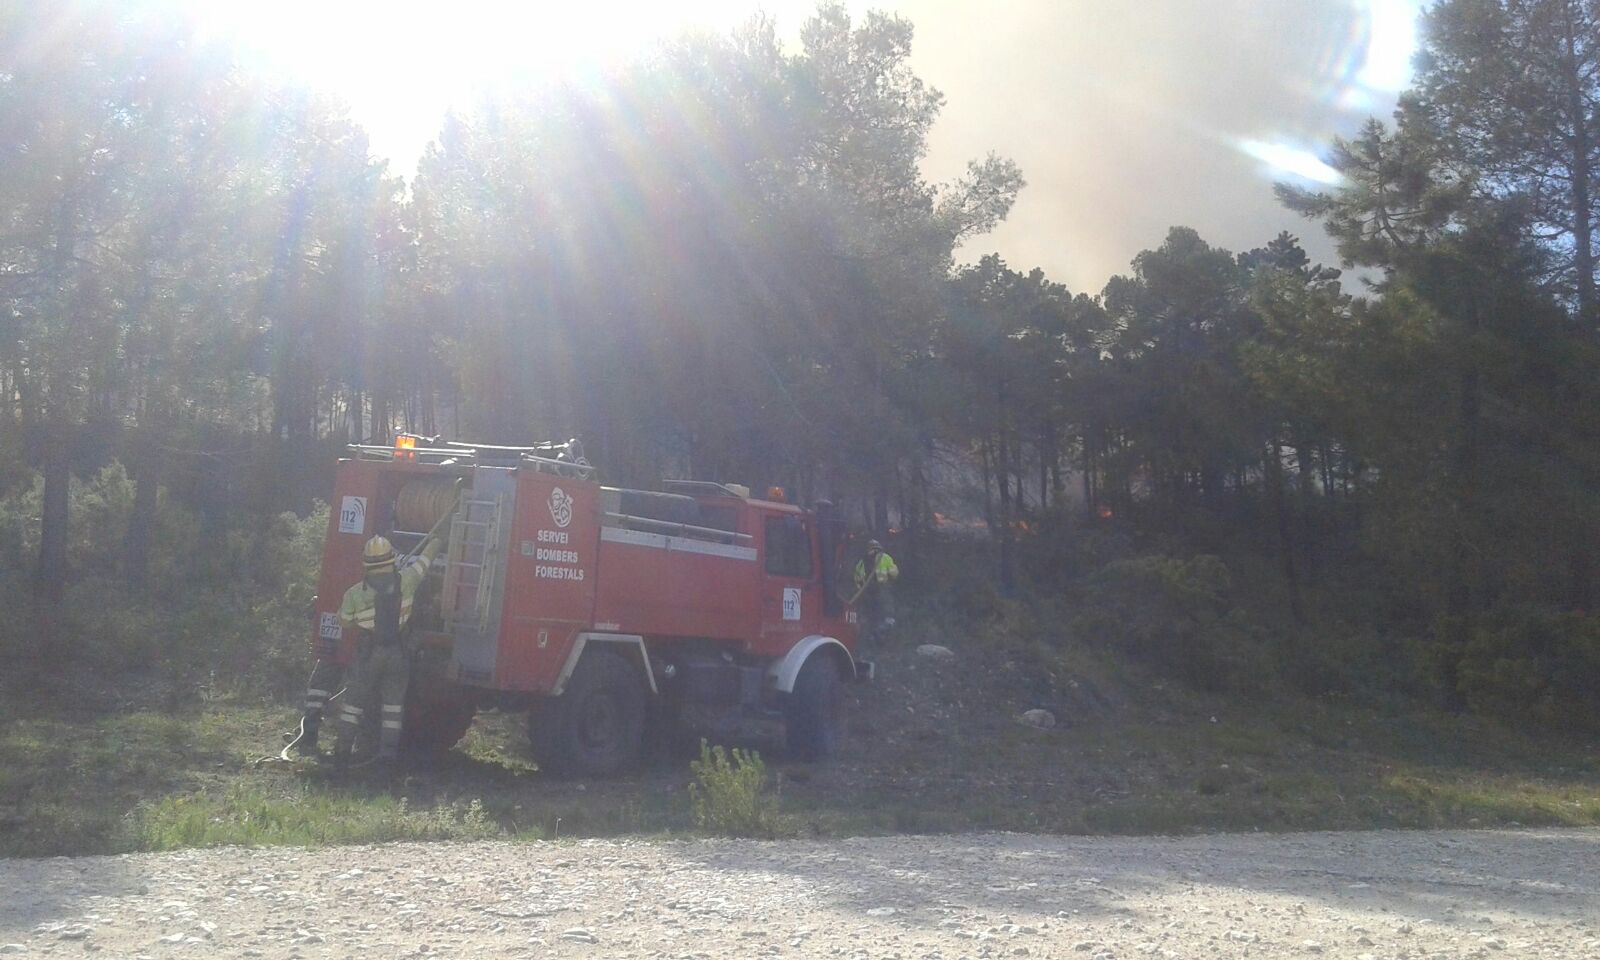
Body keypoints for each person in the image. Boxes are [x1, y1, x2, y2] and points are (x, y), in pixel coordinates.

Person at [332, 533, 443, 768]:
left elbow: (344, 622)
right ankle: (387, 760)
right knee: (393, 708)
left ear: (366, 563)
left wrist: (363, 623)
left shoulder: (354, 594)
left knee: (353, 704)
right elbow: (425, 561)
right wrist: (437, 539)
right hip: (398, 654)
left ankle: (341, 755)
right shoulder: (408, 580)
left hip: (368, 654)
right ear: (392, 559)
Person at [852, 539, 899, 644]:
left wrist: (861, 589)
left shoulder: (862, 561)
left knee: (873, 615)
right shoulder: (885, 557)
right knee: (886, 614)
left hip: (868, 592)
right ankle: (883, 636)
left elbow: (857, 578)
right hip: (882, 590)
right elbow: (895, 574)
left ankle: (874, 636)